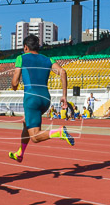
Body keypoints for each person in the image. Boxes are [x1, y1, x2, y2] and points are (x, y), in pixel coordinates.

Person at [8, 34, 75, 162]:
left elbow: (15, 82)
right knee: (26, 124)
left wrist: (14, 86)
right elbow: (63, 72)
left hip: (32, 98)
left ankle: (58, 132)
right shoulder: (47, 59)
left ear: (25, 47)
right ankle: (20, 153)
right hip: (45, 99)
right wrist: (64, 96)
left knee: (35, 137)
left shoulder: (21, 58)